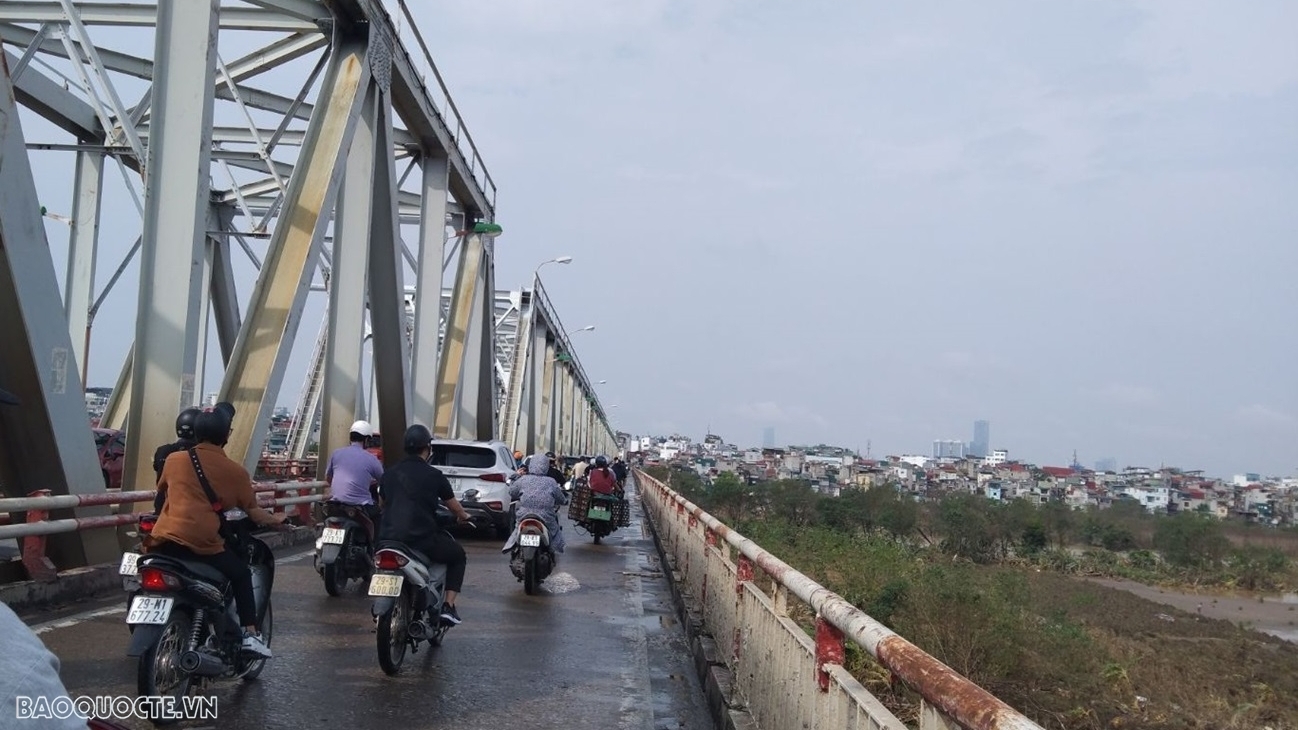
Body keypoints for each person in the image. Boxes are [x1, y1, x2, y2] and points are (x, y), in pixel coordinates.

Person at [146, 408, 289, 658]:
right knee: (241, 574)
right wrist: (278, 520)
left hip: (164, 539)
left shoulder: (173, 460)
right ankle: (250, 635)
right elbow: (253, 512)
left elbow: (163, 488)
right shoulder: (235, 472)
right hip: (201, 544)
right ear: (226, 436)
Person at [376, 424, 472, 624]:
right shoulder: (434, 475)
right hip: (420, 540)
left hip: (388, 539)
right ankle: (448, 606)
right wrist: (465, 516)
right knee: (457, 555)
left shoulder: (389, 473)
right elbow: (454, 507)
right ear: (427, 448)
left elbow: (382, 504)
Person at [324, 420, 385, 527]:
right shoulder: (371, 459)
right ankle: (375, 544)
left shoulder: (336, 453)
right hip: (360, 505)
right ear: (366, 439)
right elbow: (383, 481)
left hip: (336, 503)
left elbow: (328, 478)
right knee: (378, 519)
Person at [509, 454, 567, 553]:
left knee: (516, 530)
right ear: (546, 466)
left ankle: (512, 546)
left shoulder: (523, 480)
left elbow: (512, 492)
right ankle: (554, 549)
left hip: (524, 515)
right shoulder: (551, 482)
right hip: (546, 516)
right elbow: (561, 498)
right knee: (555, 532)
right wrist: (564, 501)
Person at [151, 408, 202, 511]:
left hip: (161, 509)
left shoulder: (162, 451)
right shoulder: (201, 454)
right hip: (188, 513)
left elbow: (157, 470)